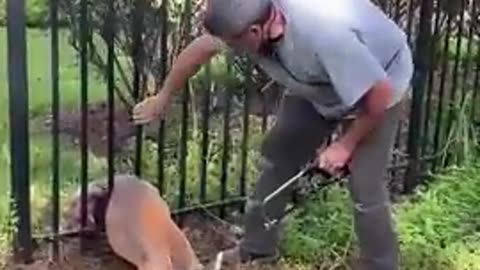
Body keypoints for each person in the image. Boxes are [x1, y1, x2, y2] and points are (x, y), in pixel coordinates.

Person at [132, 0, 414, 269]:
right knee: (278, 153)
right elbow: (199, 51)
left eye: (233, 44)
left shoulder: (323, 34)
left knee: (365, 185)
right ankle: (256, 249)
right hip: (316, 83)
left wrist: (344, 145)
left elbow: (379, 93)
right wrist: (163, 97)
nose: (230, 49)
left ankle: (381, 265)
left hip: (378, 82)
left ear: (256, 31)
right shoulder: (244, 21)